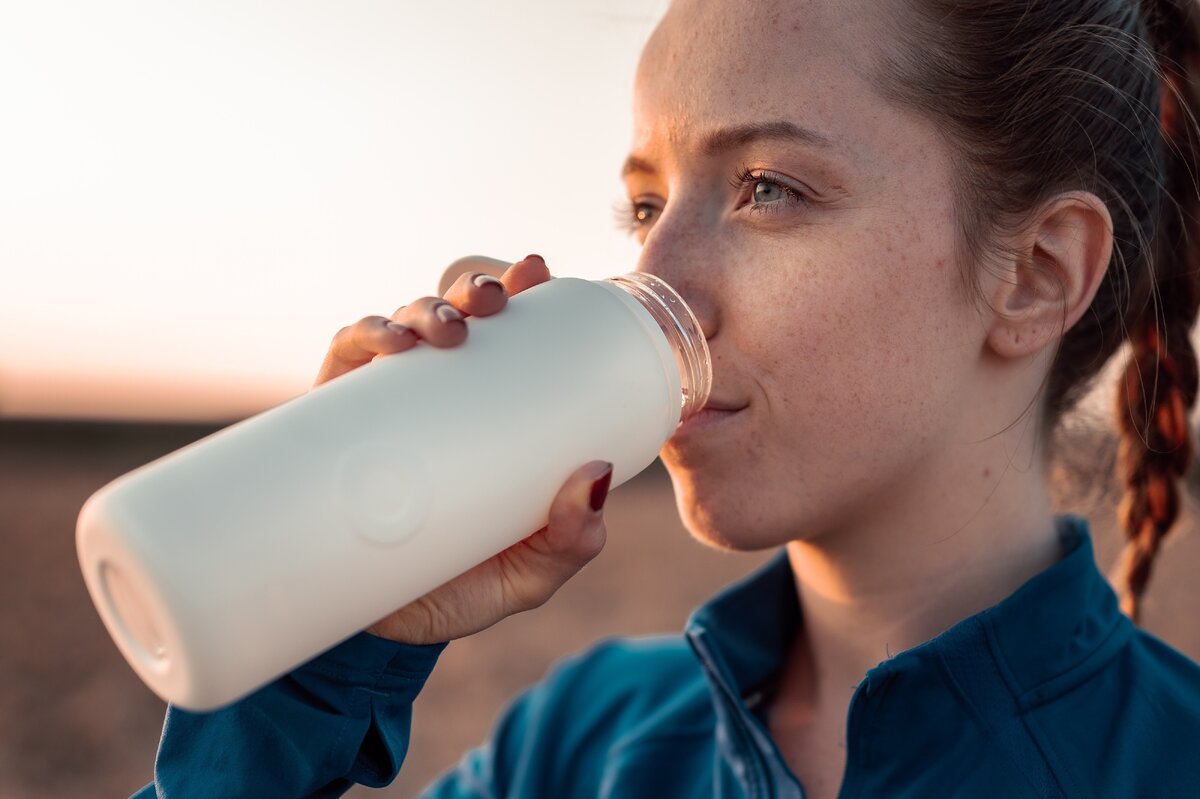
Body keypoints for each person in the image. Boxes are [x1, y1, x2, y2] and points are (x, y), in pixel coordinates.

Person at [134, 0, 1200, 796]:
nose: (656, 279)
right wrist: (326, 637)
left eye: (768, 188)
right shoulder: (582, 740)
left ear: (1038, 273)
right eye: (645, 203)